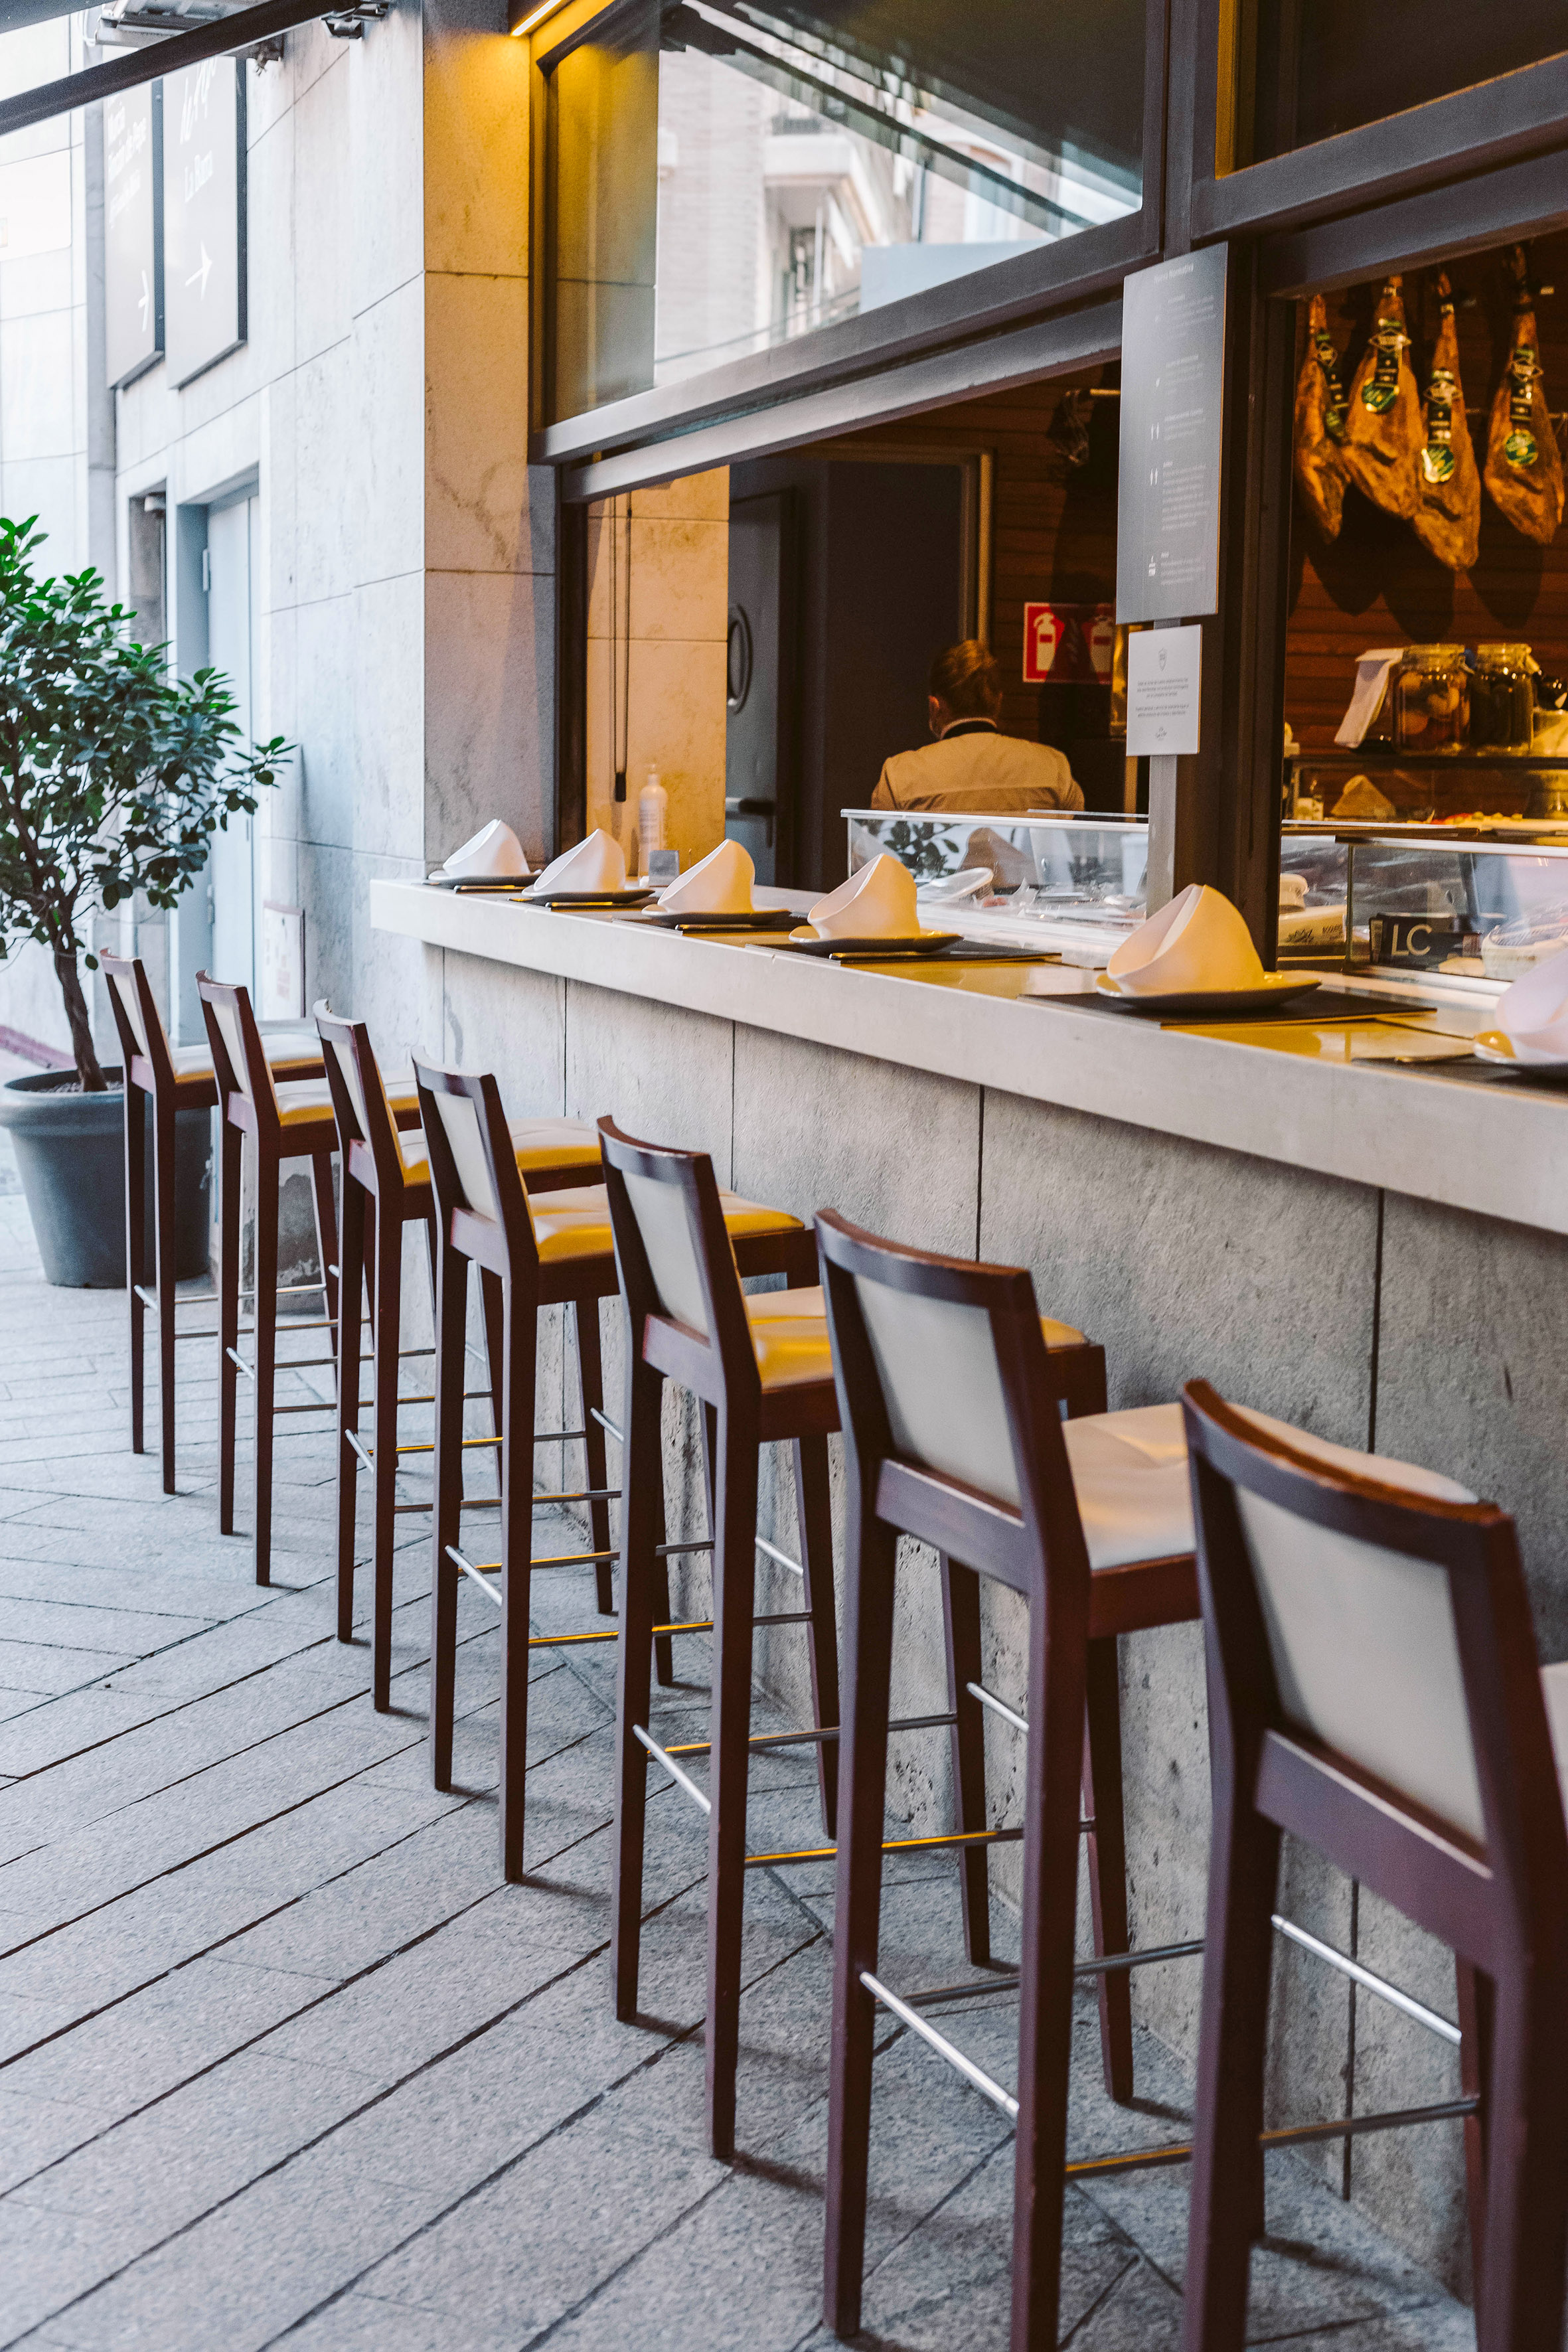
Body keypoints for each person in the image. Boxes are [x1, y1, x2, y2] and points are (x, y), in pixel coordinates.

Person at [870, 641, 1084, 815]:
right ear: (998, 703)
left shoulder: (899, 775)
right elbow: (1077, 852)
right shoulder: (1054, 768)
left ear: (934, 707)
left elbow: (873, 859)